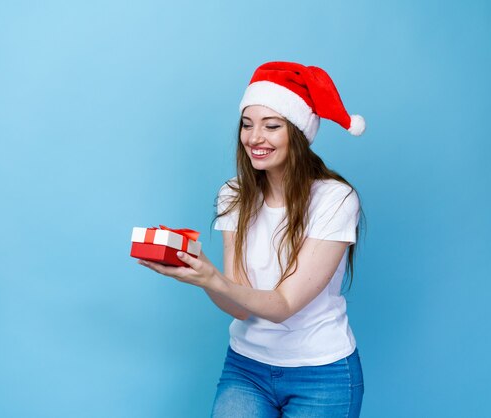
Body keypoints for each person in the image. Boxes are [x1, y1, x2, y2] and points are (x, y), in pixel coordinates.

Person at [138, 61, 366, 417]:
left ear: (299, 132)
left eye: (271, 126)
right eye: (247, 125)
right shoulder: (234, 195)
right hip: (246, 368)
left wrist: (213, 278)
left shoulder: (335, 199)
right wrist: (202, 277)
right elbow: (239, 306)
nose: (254, 137)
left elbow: (284, 304)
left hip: (322, 374)